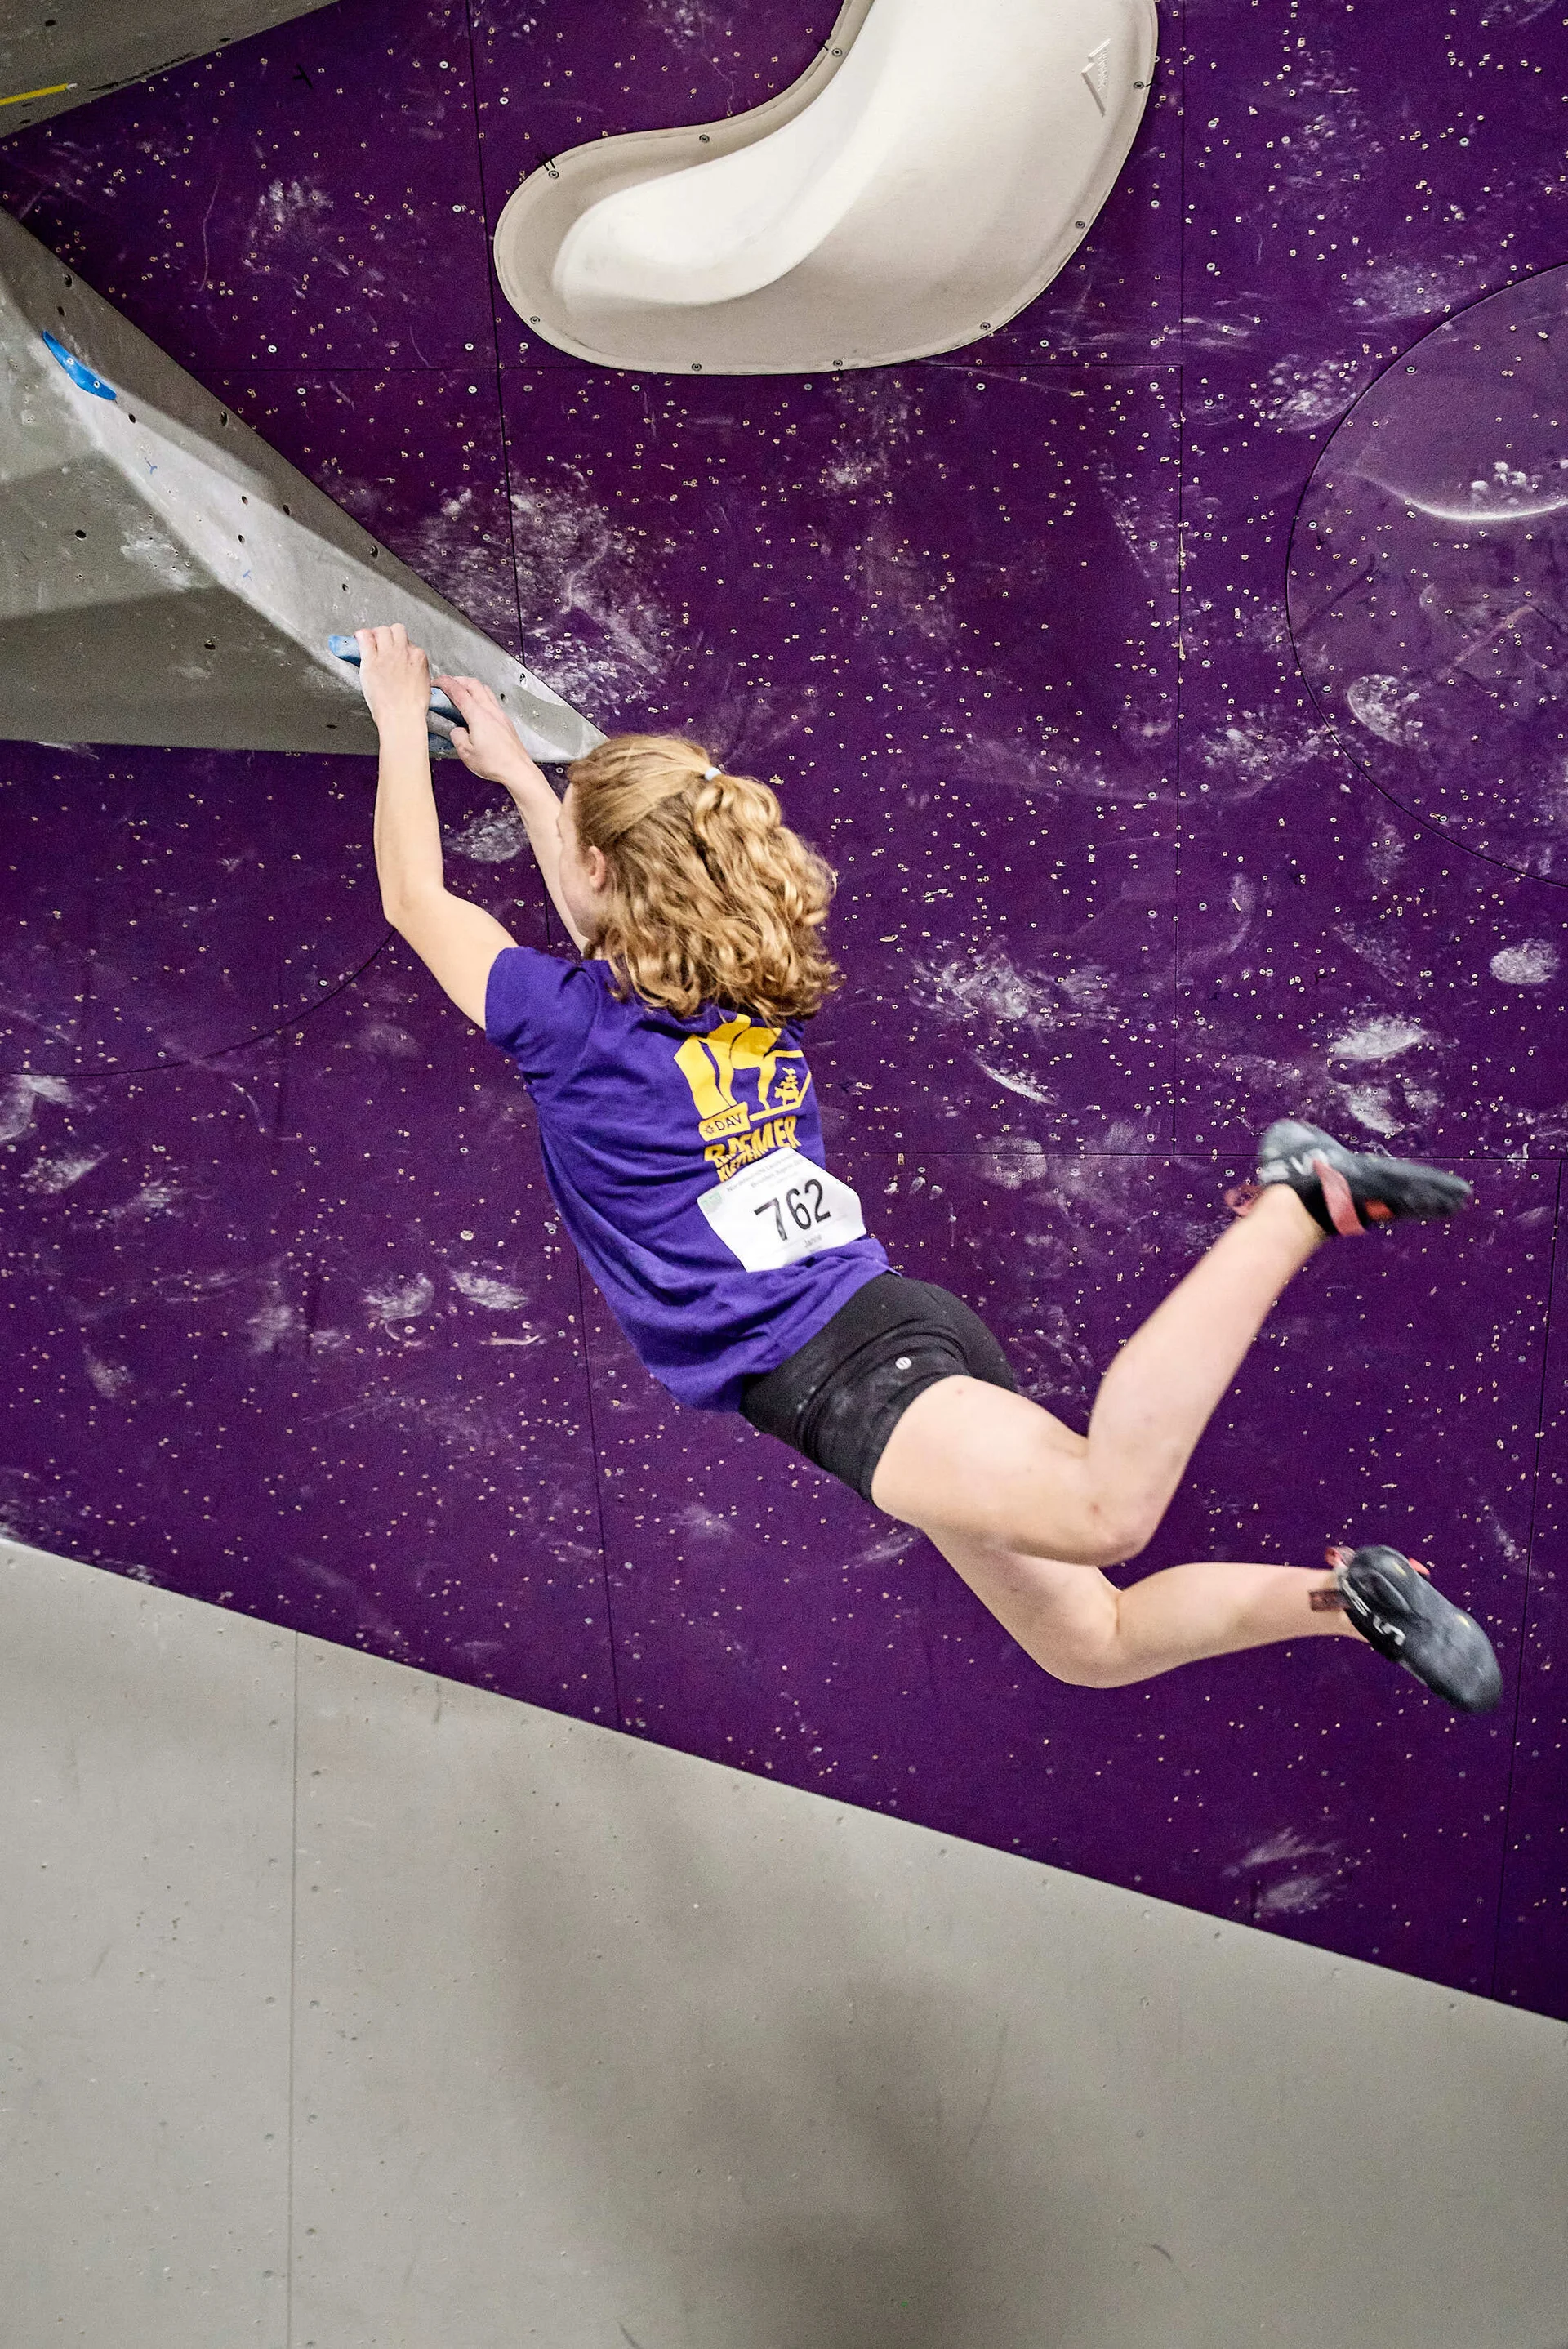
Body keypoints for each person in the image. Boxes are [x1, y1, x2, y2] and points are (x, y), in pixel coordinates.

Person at [353, 622, 1502, 1714]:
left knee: (1109, 1513)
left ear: (605, 875)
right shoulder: (738, 989)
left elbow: (420, 899)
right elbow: (609, 909)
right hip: (890, 1329)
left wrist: (400, 719)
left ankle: (1293, 1208)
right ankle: (1355, 1605)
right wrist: (519, 777)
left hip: (843, 1373)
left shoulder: (572, 1025)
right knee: (1089, 1642)